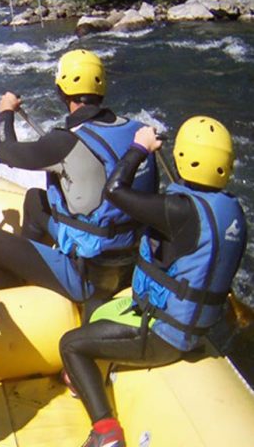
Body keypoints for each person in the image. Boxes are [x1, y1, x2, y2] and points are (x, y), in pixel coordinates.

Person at [59, 116, 247, 447]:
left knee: (70, 345)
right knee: (97, 303)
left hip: (164, 337)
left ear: (184, 156)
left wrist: (139, 148)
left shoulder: (176, 211)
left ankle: (105, 431)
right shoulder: (230, 210)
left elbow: (114, 191)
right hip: (193, 328)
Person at [0, 49, 157, 317]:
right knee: (35, 199)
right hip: (133, 256)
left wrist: (6, 112)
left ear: (62, 91)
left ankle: (23, 303)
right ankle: (31, 264)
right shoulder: (138, 129)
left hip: (91, 275)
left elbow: (5, 151)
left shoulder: (64, 142)